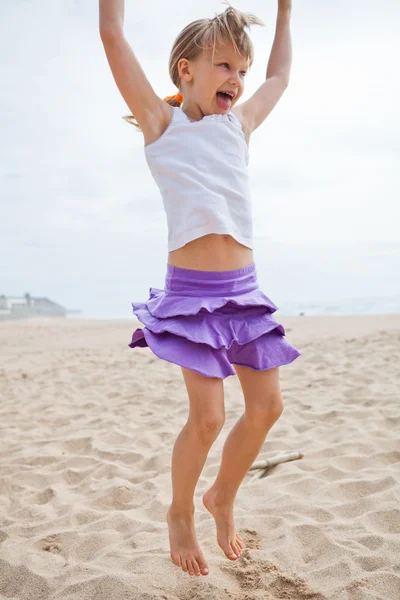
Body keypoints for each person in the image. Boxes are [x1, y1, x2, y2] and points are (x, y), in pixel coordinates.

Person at [99, 0, 299, 578]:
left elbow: (280, 76)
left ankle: (223, 498)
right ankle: (181, 512)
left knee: (267, 407)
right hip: (191, 295)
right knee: (207, 418)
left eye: (241, 70)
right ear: (185, 69)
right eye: (224, 66)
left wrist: (285, 9)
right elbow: (112, 34)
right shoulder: (163, 125)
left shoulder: (238, 125)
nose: (237, 80)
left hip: (245, 291)